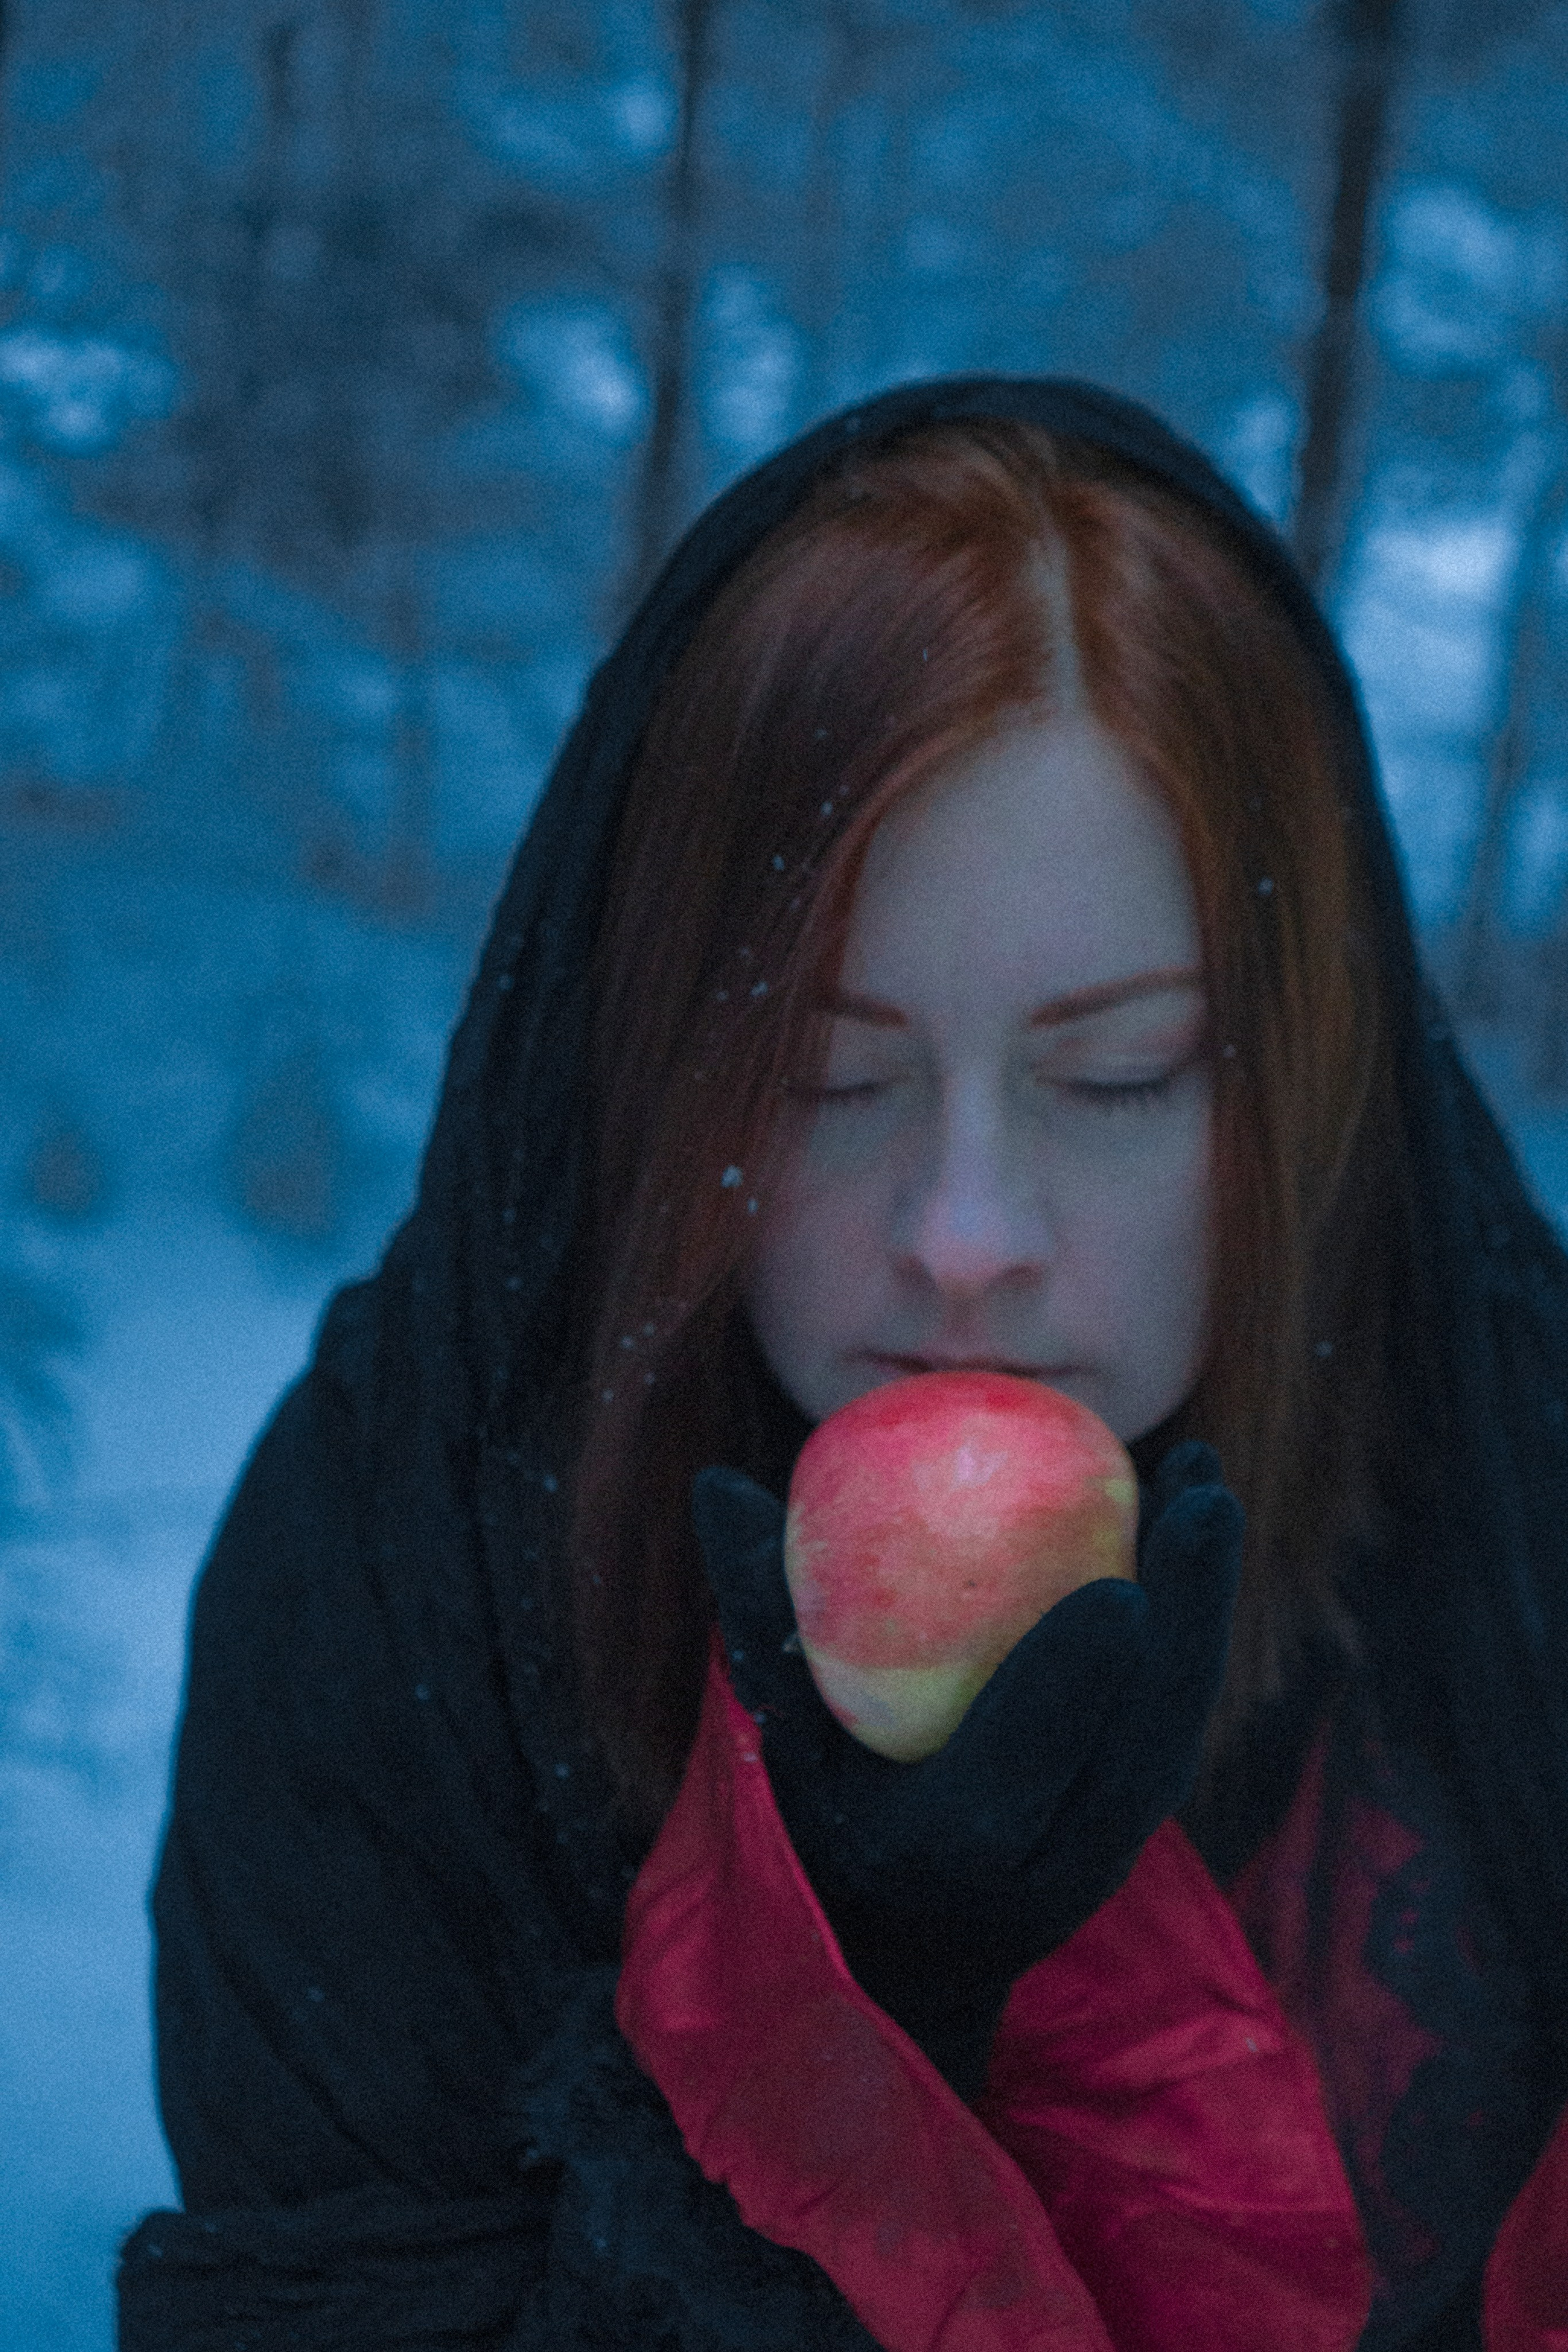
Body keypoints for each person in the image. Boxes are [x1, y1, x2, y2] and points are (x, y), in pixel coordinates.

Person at [116, 380, 1568, 2352]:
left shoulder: (1517, 1511)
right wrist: (851, 2027)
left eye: (1119, 1076)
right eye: (829, 1074)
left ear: (1298, 1075)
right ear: (663, 1063)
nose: (965, 1231)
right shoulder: (404, 1588)